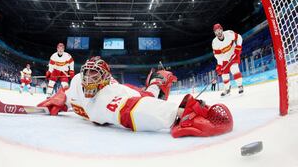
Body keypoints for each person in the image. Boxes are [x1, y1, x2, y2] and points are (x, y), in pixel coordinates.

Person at [38, 56, 233, 138]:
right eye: (86, 74)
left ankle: (157, 82)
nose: (88, 80)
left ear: (105, 78)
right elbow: (72, 93)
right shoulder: (77, 81)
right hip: (126, 89)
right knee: (146, 93)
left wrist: (178, 113)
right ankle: (156, 82)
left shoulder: (105, 97)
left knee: (146, 96)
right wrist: (61, 98)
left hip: (127, 93)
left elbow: (130, 109)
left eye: (94, 75)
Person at [212, 23, 244, 96]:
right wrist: (220, 65)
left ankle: (240, 86)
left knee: (234, 69)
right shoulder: (214, 42)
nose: (218, 32)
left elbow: (239, 37)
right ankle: (227, 89)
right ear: (214, 33)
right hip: (224, 59)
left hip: (233, 54)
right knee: (224, 75)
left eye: (219, 30)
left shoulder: (229, 33)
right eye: (216, 31)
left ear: (222, 30)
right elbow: (217, 56)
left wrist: (238, 47)